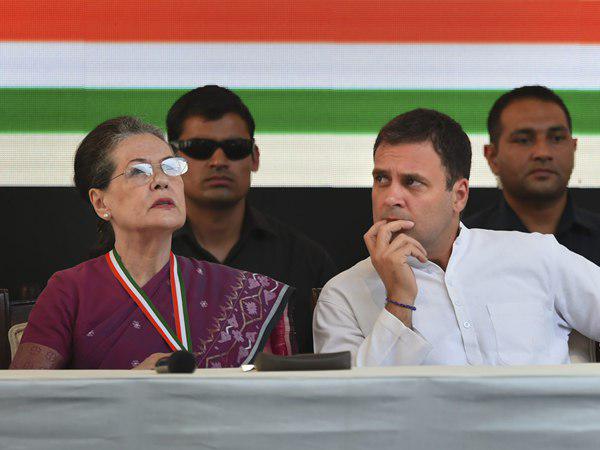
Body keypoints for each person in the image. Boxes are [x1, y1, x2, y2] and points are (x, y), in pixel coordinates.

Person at [313, 108, 600, 366]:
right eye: (381, 179)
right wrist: (398, 301)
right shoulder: (343, 296)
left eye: (412, 182)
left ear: (459, 195)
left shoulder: (536, 256)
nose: (390, 198)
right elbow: (351, 402)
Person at [10, 116, 293, 370]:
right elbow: (25, 398)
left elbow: (271, 397)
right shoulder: (70, 291)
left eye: (170, 167)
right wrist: (130, 387)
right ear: (101, 202)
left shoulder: (242, 294)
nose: (161, 181)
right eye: (139, 171)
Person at [168, 85, 337, 353]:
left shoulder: (306, 261)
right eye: (200, 148)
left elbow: (328, 362)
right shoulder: (145, 256)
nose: (218, 161)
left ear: (255, 157)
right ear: (172, 161)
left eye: (235, 148)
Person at [465, 85, 600, 361]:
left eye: (556, 138)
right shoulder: (462, 247)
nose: (542, 152)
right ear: (491, 156)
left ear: (574, 147)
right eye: (524, 140)